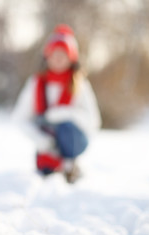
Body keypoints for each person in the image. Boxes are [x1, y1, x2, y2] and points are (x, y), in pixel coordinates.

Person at [12, 24, 101, 183]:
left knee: (65, 128)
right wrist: (40, 140)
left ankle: (70, 165)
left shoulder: (80, 84)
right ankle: (51, 164)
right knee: (46, 172)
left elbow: (93, 121)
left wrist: (64, 114)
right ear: (47, 56)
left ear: (71, 58)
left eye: (63, 54)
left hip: (74, 138)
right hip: (46, 140)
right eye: (54, 53)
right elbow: (19, 118)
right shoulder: (36, 83)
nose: (58, 58)